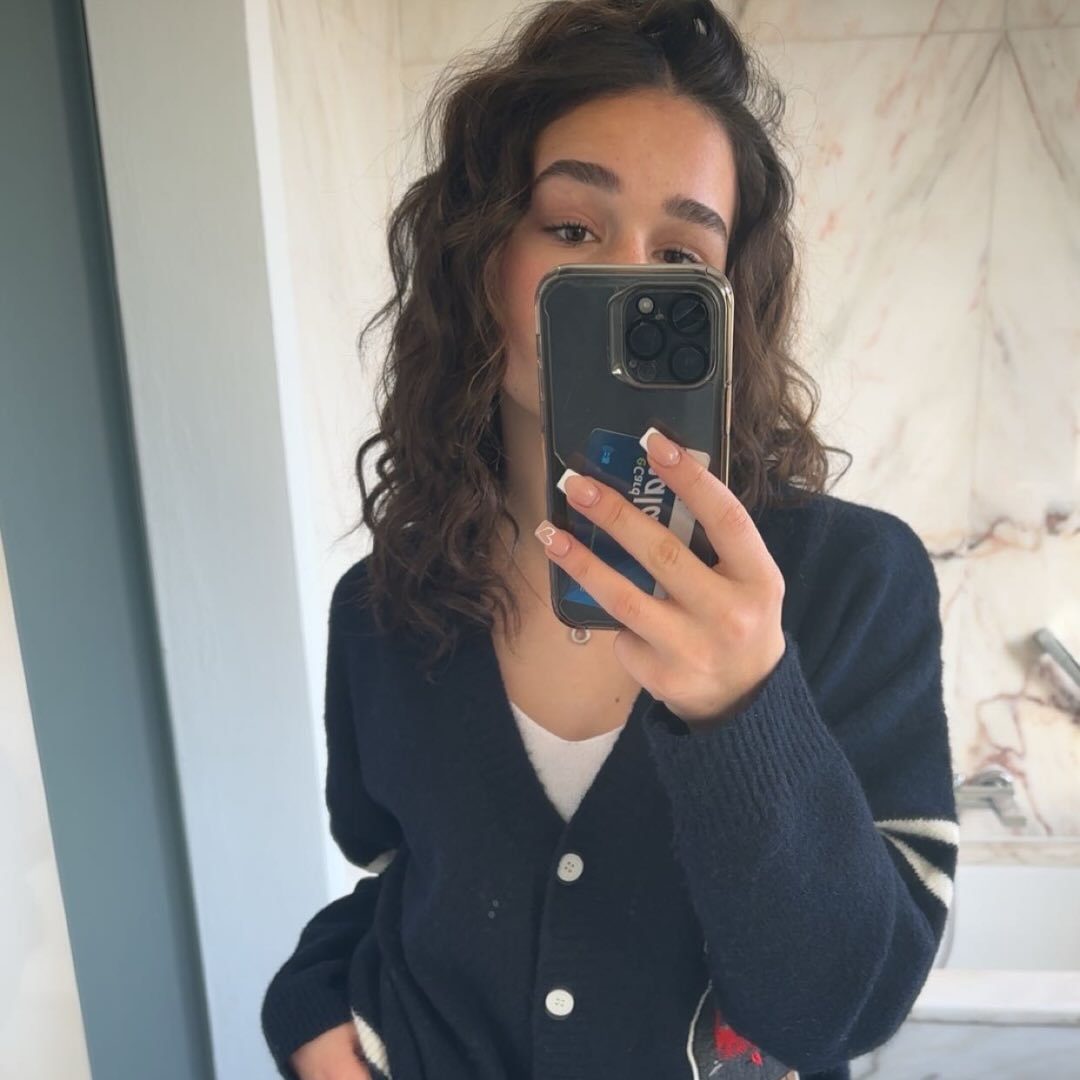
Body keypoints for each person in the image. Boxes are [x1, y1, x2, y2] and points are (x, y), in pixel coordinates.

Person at [260, 2, 959, 1078]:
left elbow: (840, 1009)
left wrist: (746, 712)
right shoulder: (384, 602)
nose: (628, 282)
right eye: (574, 229)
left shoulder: (854, 583)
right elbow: (395, 876)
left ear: (727, 302)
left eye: (680, 252)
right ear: (482, 258)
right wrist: (311, 1018)